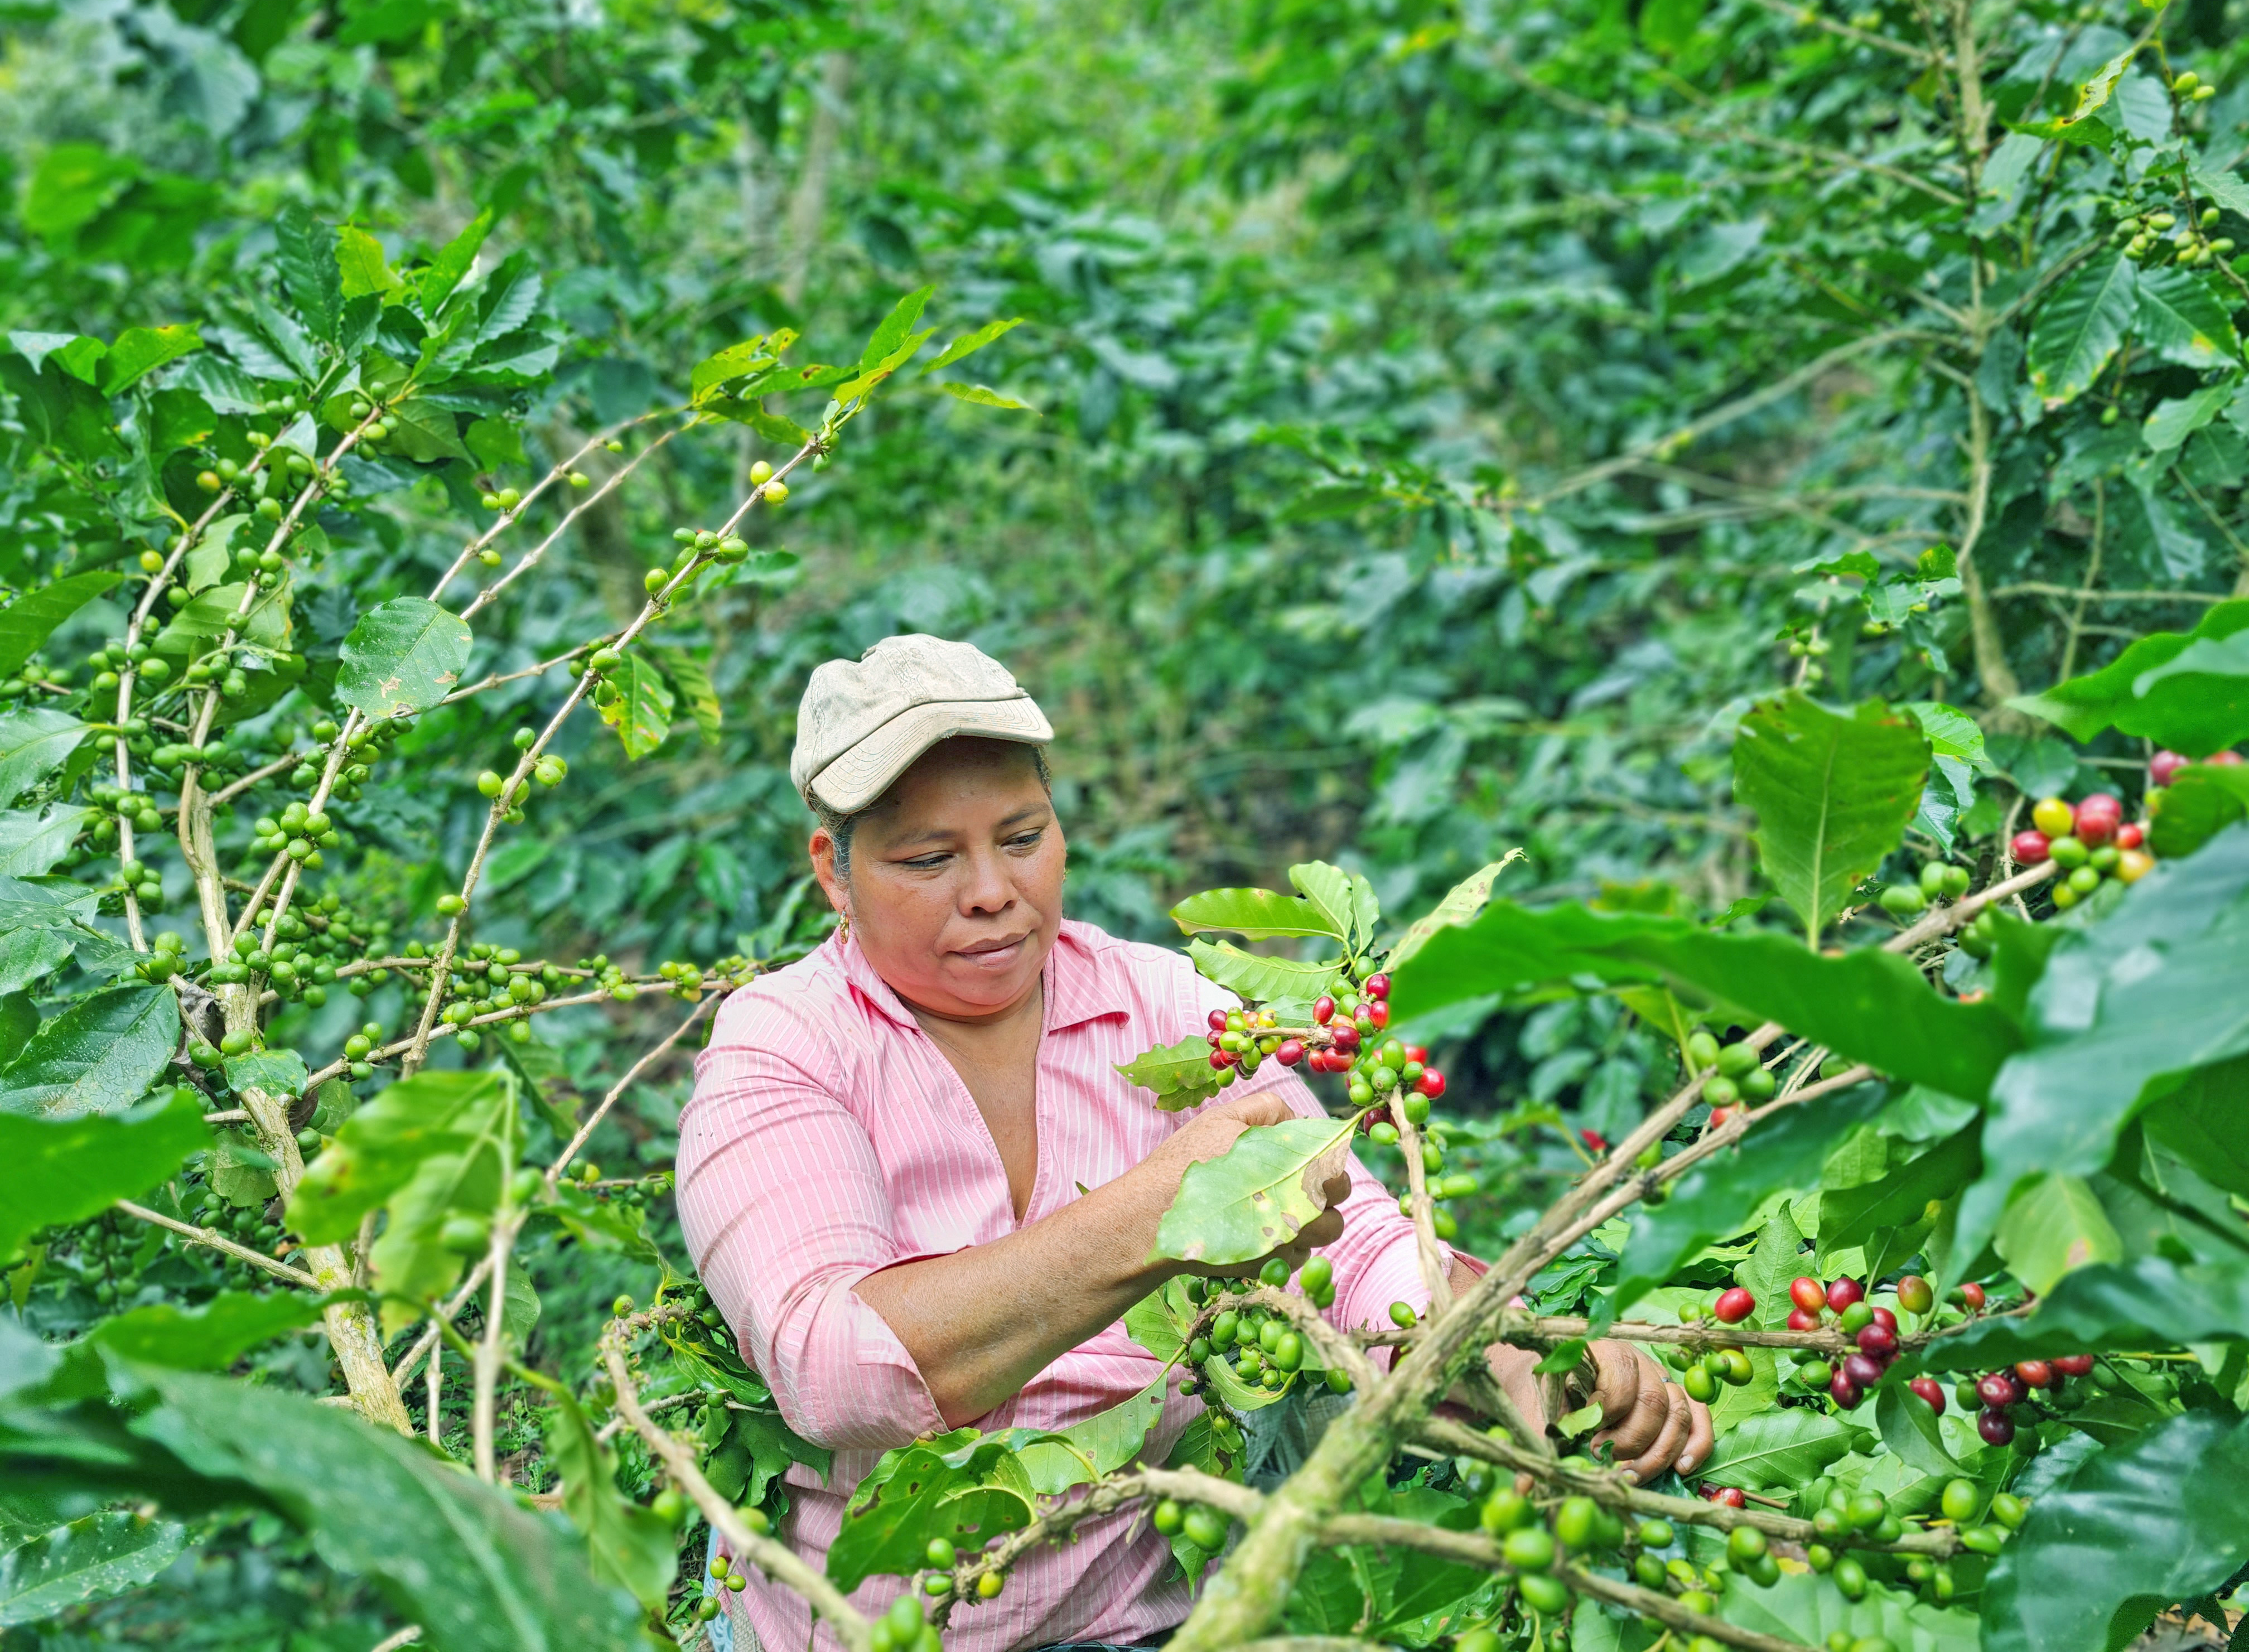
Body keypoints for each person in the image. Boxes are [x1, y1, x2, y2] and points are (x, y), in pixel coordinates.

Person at [675, 634, 1712, 1652]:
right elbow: (835, 1370)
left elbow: (1350, 1242)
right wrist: (1166, 1215)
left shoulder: (1164, 1008)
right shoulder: (785, 1046)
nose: (992, 890)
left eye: (1024, 837)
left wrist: (1509, 1357)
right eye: (929, 859)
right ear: (834, 872)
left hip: (1151, 1624)